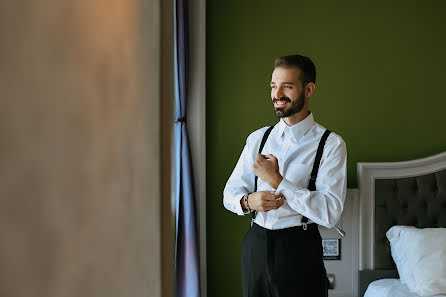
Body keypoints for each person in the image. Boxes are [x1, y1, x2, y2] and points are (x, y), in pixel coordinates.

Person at [223, 54, 347, 297]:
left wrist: (278, 181)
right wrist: (249, 202)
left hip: (299, 249)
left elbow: (330, 213)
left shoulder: (331, 145)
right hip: (255, 246)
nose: (277, 94)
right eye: (273, 86)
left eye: (287, 86)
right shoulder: (257, 138)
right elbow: (230, 194)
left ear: (308, 89)